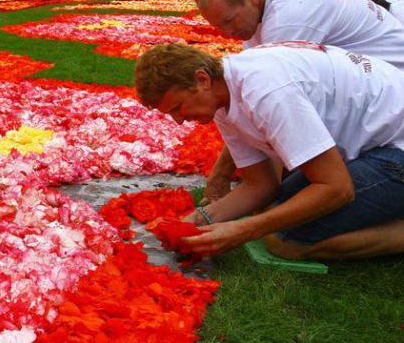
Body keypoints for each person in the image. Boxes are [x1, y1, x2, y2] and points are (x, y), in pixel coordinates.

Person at [134, 42, 404, 261]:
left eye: (177, 107)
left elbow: (336, 188)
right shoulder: (225, 96)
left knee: (285, 240)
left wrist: (246, 230)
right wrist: (196, 221)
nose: (178, 120)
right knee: (273, 211)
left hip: (395, 148)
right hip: (374, 144)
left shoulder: (266, 91)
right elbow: (260, 185)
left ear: (201, 79)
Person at [194, 0, 404, 204]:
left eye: (230, 21)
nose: (227, 33)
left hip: (392, 88)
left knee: (297, 209)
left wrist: (221, 177)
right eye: (218, 27)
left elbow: (269, 100)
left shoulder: (287, 19)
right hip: (369, 85)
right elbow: (240, 88)